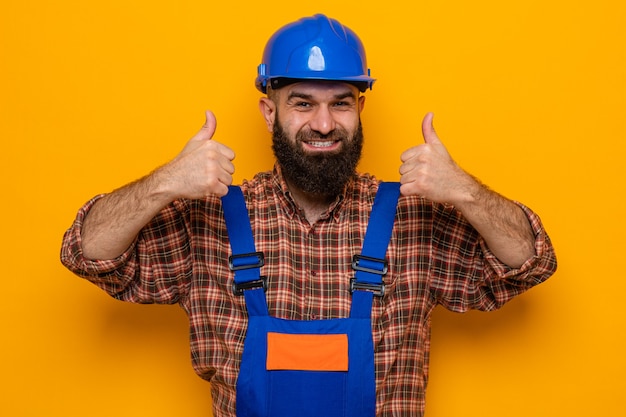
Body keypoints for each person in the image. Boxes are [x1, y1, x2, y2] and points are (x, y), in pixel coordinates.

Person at [61, 13, 557, 417]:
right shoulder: (210, 220)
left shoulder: (412, 219)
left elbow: (529, 262)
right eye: (303, 103)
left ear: (360, 108)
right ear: (269, 111)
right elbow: (88, 253)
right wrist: (167, 180)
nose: (324, 124)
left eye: (341, 103)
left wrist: (464, 191)